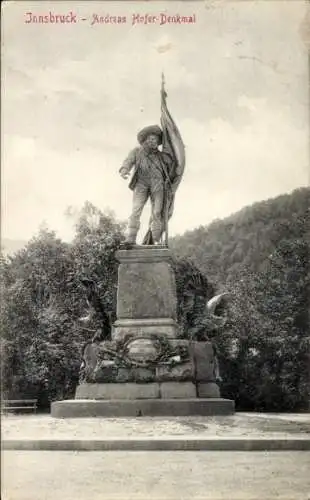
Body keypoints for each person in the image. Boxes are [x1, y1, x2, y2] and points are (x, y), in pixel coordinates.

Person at [119, 124, 175, 246]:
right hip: (141, 183)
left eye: (155, 139)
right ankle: (131, 238)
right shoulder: (136, 152)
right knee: (136, 210)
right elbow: (128, 161)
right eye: (150, 139)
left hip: (158, 183)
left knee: (157, 212)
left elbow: (172, 166)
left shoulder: (162, 156)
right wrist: (124, 170)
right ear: (145, 140)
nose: (152, 141)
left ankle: (155, 239)